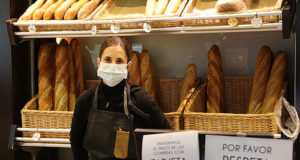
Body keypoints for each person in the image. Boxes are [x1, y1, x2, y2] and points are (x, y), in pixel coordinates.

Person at [70, 36, 171, 160]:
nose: (113, 65)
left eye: (119, 61)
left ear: (128, 67)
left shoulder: (139, 99)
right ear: (98, 63)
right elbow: (76, 144)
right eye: (107, 60)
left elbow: (167, 135)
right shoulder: (85, 101)